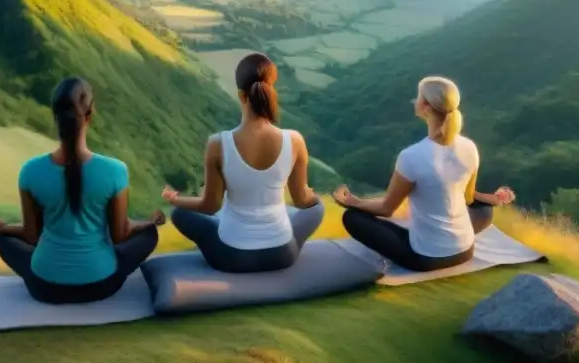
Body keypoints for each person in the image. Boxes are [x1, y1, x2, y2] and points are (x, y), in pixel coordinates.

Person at [0, 77, 164, 303]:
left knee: (3, 240)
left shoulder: (30, 171)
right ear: (89, 115)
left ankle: (43, 262)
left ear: (55, 117)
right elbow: (120, 234)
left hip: (45, 287)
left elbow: (32, 235)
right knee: (148, 235)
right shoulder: (115, 170)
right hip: (101, 284)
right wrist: (149, 223)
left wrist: (1, 227)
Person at [332, 75, 516, 273]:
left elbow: (386, 209)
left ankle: (358, 212)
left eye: (418, 97)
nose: (415, 101)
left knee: (352, 218)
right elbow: (468, 198)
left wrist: (353, 202)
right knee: (485, 210)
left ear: (426, 107)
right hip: (465, 249)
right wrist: (493, 199)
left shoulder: (411, 156)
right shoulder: (469, 147)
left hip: (426, 258)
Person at [162, 52, 325, 273]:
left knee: (180, 214)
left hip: (232, 257)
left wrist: (176, 200)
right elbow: (301, 199)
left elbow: (210, 205)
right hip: (282, 254)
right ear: (271, 90)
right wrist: (313, 195)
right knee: (317, 208)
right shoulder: (294, 140)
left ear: (241, 95)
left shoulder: (218, 143)